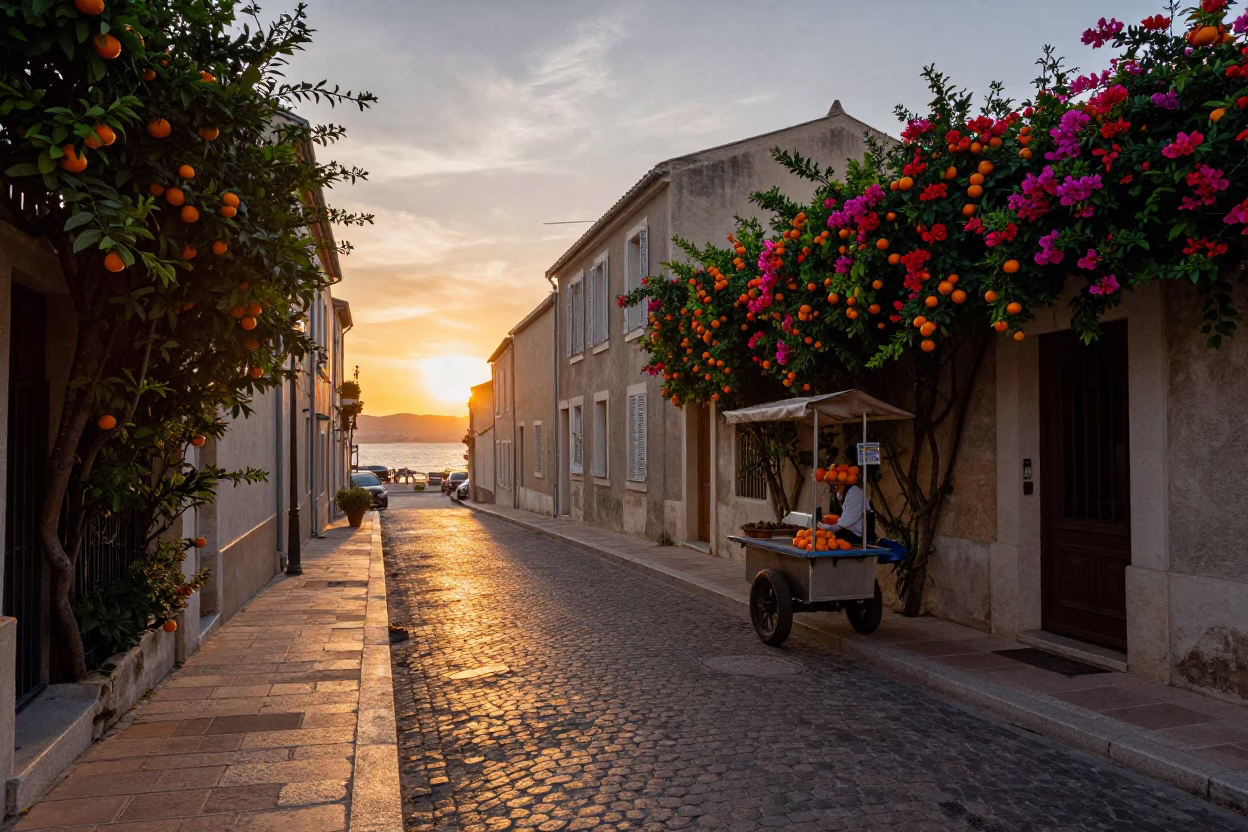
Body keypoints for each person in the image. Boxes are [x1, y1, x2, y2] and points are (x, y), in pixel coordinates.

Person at [820, 479, 872, 545]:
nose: (835, 486)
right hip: (848, 533)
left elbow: (844, 523)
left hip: (856, 538)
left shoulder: (854, 493)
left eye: (836, 484)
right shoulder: (845, 493)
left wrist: (824, 527)